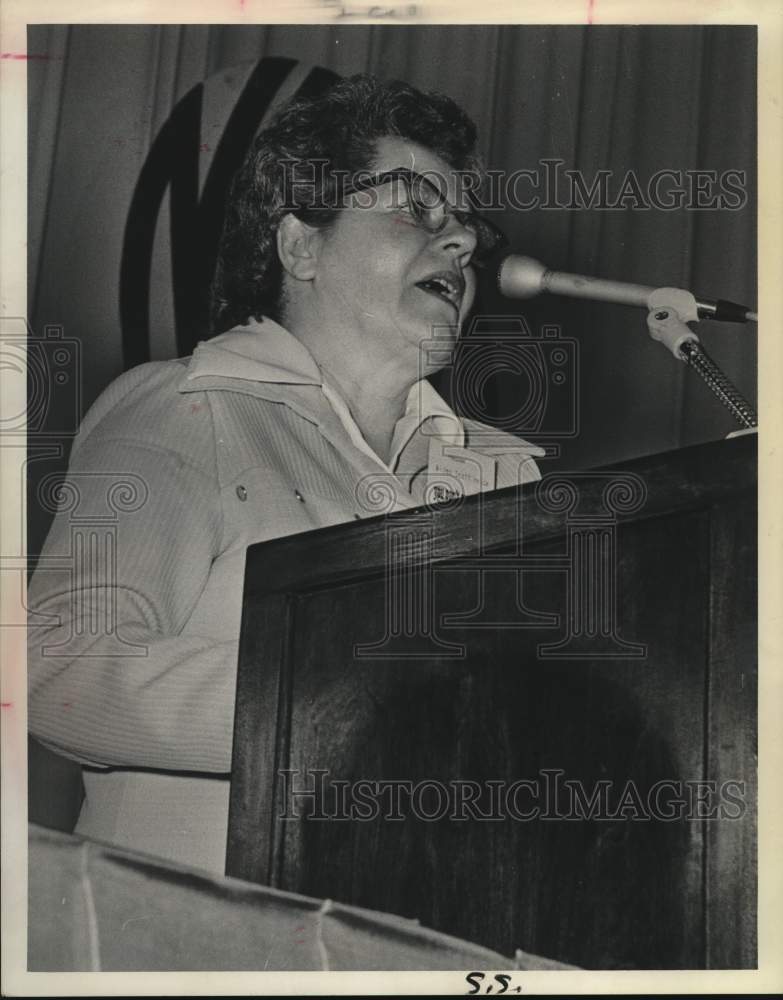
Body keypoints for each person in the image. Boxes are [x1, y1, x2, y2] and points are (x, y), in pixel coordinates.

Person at [27, 75, 544, 874]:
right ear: (301, 244)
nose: (463, 244)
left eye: (466, 224)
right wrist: (339, 699)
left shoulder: (507, 474)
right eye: (416, 208)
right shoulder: (192, 408)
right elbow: (58, 667)